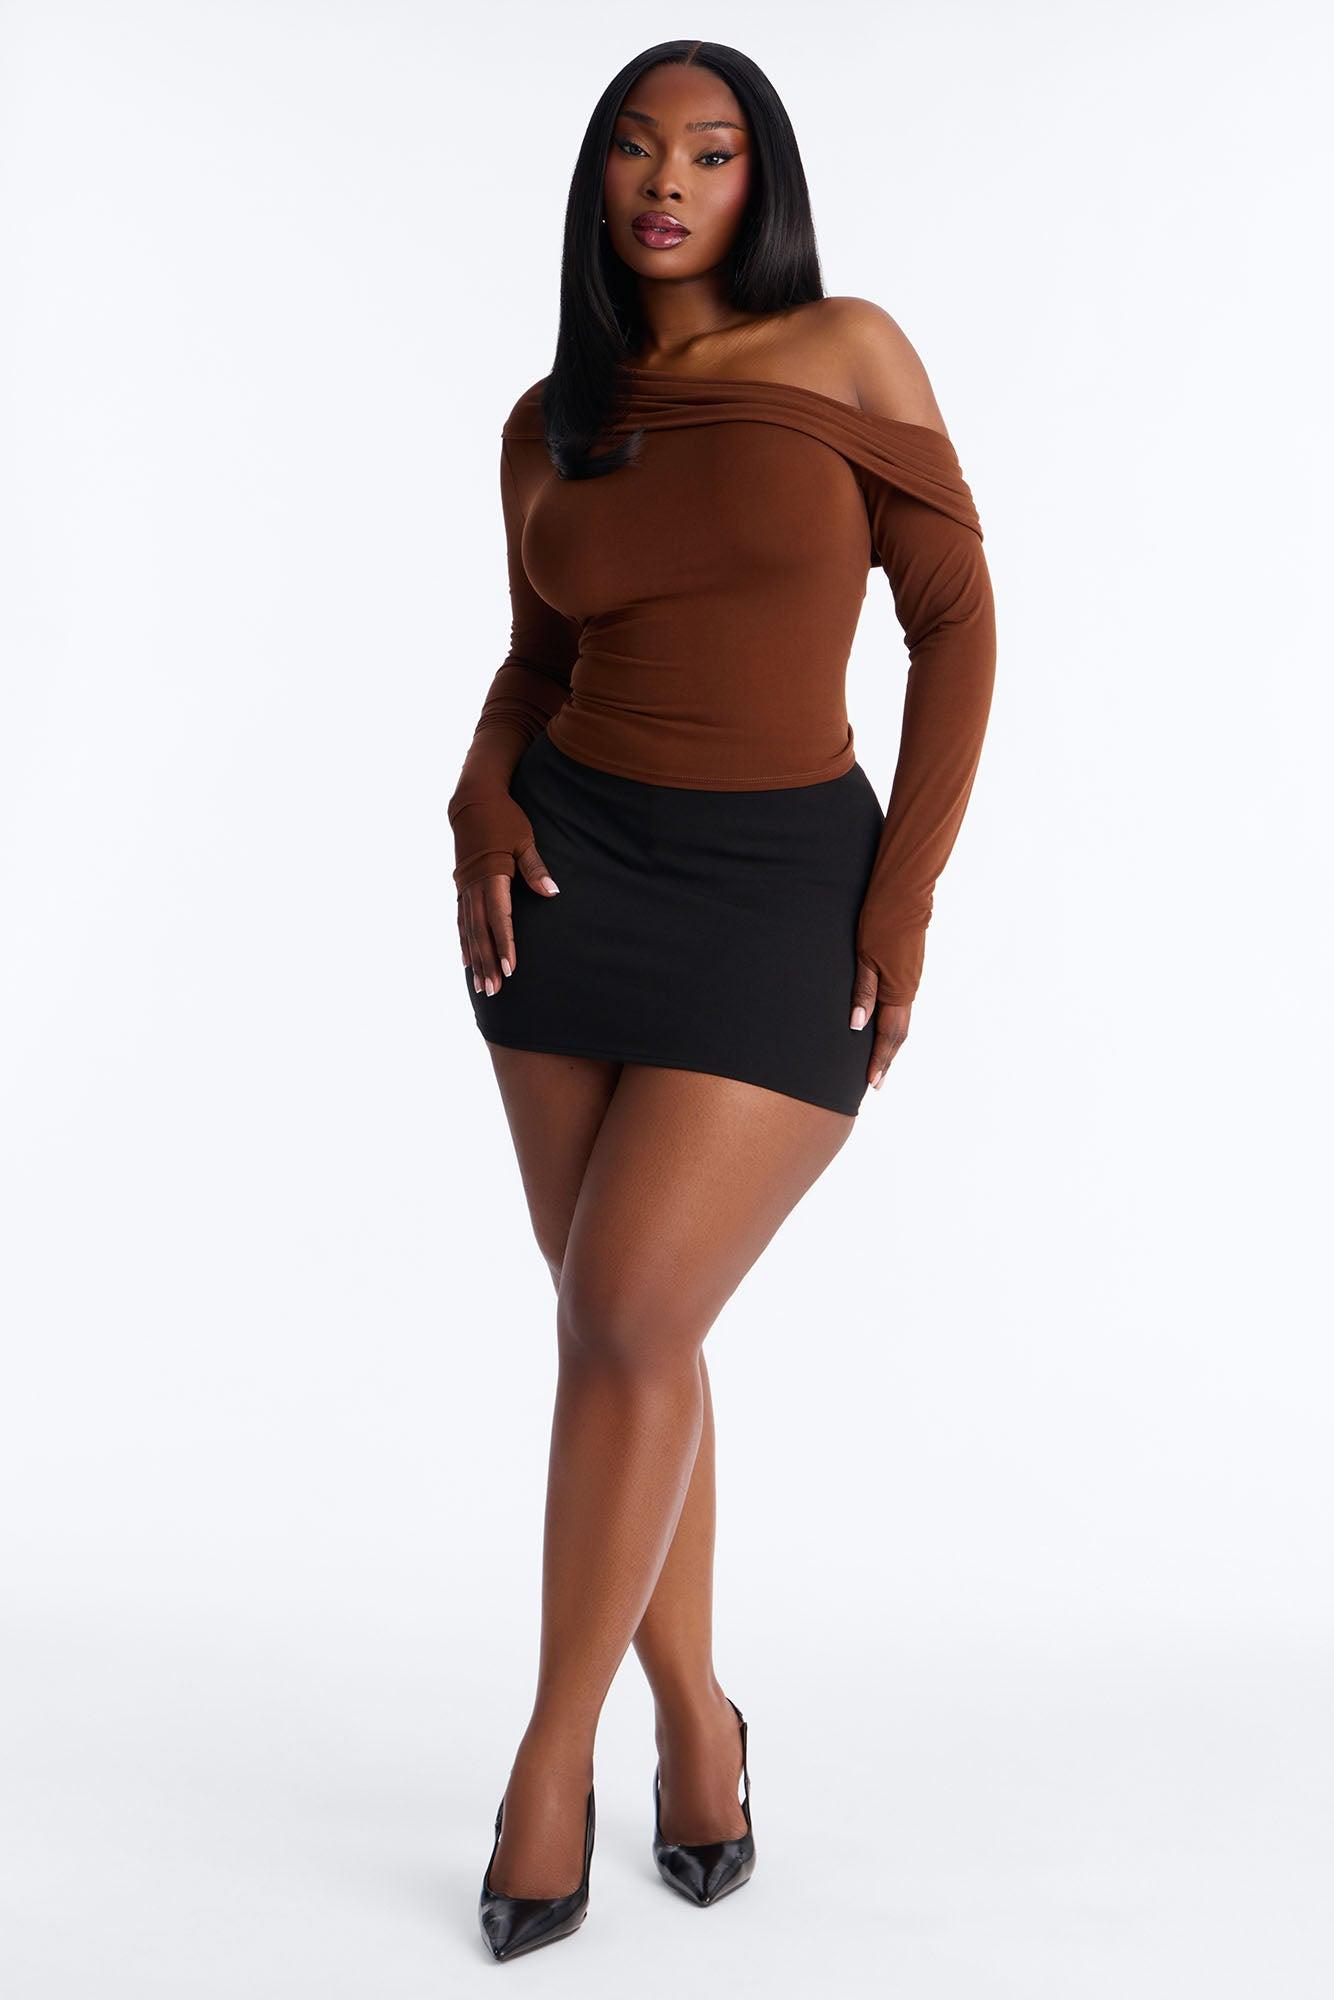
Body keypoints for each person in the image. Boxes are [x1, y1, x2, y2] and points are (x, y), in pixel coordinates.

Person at [451, 40, 997, 1961]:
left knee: (622, 1316)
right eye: (634, 148)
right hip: (564, 889)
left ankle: (547, 1762)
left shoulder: (847, 354)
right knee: (631, 1336)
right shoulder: (549, 419)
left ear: (761, 181)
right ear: (596, 183)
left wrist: (902, 892)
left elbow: (953, 620)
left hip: (781, 898)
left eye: (710, 150)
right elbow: (537, 657)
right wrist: (475, 788)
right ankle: (697, 1715)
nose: (667, 181)